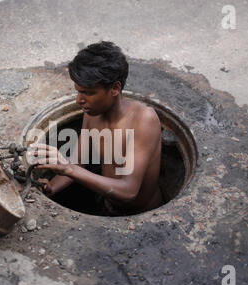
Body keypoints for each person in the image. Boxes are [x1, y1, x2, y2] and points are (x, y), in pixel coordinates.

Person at [29, 41, 163, 215]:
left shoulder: (144, 120)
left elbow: (129, 191)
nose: (79, 100)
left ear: (115, 88)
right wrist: (52, 188)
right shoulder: (93, 113)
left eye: (88, 93)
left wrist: (68, 168)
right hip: (107, 206)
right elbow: (78, 162)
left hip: (143, 217)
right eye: (78, 91)